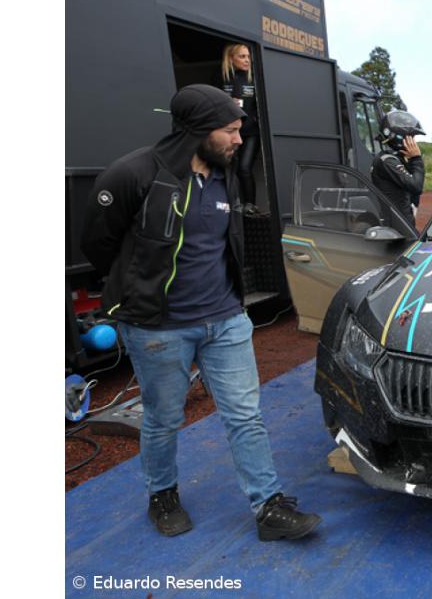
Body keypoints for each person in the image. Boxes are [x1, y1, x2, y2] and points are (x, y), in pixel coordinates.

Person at [80, 84, 321, 541]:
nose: (238, 140)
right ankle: (162, 495)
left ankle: (268, 506)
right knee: (163, 418)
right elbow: (98, 244)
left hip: (225, 319)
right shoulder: (133, 173)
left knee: (245, 415)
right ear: (198, 131)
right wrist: (137, 294)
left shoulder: (225, 175)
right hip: (158, 328)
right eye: (230, 130)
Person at [214, 44, 261, 214]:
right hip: (229, 131)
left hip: (250, 132)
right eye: (242, 56)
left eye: (248, 56)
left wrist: (254, 119)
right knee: (229, 168)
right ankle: (234, 204)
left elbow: (261, 106)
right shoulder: (222, 77)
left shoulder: (254, 78)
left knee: (244, 168)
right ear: (231, 58)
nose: (247, 60)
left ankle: (250, 204)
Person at [371, 111, 425, 228]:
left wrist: (411, 160)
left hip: (402, 224)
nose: (413, 143)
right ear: (400, 137)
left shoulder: (395, 159)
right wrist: (416, 159)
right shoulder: (387, 161)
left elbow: (413, 191)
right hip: (397, 229)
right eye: (411, 138)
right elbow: (416, 186)